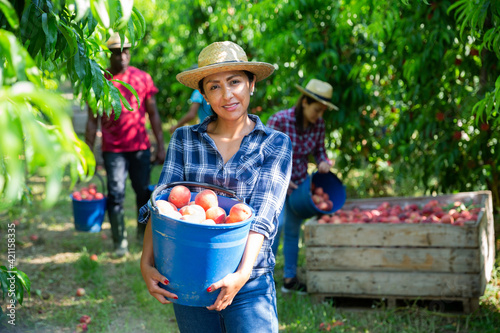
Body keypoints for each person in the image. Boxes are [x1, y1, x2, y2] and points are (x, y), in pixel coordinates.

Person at [139, 41, 292, 332]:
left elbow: (262, 218)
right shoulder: (185, 139)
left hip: (250, 282)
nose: (226, 95)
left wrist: (241, 275)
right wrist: (146, 264)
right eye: (214, 87)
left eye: (234, 82)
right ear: (205, 95)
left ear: (251, 84)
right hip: (189, 276)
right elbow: (161, 205)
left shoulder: (274, 144)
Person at [85, 33, 166, 257]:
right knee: (116, 194)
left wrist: (160, 145)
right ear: (109, 55)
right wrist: (87, 154)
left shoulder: (142, 78)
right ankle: (119, 241)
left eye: (126, 51)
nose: (122, 56)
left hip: (139, 147)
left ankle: (142, 235)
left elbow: (153, 113)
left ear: (130, 53)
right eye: (117, 52)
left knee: (142, 192)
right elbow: (92, 122)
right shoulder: (100, 81)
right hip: (113, 149)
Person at [268, 78, 338, 294]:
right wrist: (282, 179)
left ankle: (289, 279)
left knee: (292, 230)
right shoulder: (280, 121)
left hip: (299, 184)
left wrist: (323, 162)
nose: (319, 115)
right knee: (274, 227)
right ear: (305, 102)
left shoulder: (319, 126)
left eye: (323, 111)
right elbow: (265, 154)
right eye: (317, 109)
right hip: (274, 181)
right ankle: (264, 276)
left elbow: (319, 151)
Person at [169, 65, 213, 134]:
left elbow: (191, 114)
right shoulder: (212, 90)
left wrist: (176, 126)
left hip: (207, 130)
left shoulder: (198, 92)